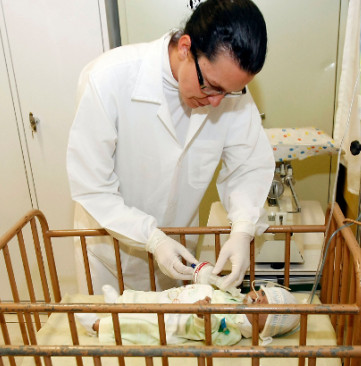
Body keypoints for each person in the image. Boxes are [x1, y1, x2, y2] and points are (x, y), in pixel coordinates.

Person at [68, 0, 274, 294]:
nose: (216, 101)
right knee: (111, 334)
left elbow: (248, 166)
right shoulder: (107, 80)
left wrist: (242, 229)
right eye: (211, 86)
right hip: (109, 258)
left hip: (177, 259)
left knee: (171, 334)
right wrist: (153, 239)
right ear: (185, 47)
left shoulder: (228, 95)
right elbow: (93, 187)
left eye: (228, 93)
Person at [79, 282, 300, 346]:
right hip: (174, 299)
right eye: (260, 293)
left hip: (173, 323)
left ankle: (97, 326)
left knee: (140, 323)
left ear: (263, 327)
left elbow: (210, 334)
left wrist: (202, 316)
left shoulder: (232, 332)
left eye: (263, 303)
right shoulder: (236, 299)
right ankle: (118, 303)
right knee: (148, 298)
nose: (257, 298)